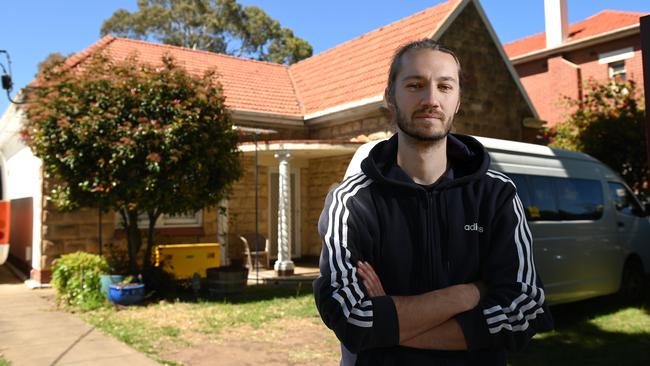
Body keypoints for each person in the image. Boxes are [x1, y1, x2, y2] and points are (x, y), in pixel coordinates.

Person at [312, 39, 554, 365]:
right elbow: (350, 317)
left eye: (444, 86)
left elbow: (523, 310)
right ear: (390, 97)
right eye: (415, 85)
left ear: (458, 101)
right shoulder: (352, 202)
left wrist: (389, 325)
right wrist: (467, 294)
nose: (430, 99)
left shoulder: (497, 195)